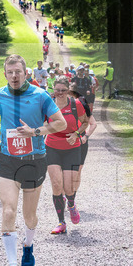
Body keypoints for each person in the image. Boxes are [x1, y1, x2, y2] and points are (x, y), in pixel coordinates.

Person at [0, 54, 67, 266]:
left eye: (18, 72)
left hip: (34, 160)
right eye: (10, 72)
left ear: (25, 73)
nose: (14, 76)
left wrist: (36, 132)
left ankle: (28, 245)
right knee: (8, 210)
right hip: (8, 160)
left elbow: (61, 123)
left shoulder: (40, 96)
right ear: (5, 74)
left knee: (29, 215)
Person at [44, 77, 88, 234]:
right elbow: (41, 123)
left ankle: (71, 203)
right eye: (57, 90)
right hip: (52, 146)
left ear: (69, 91)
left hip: (72, 147)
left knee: (69, 187)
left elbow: (85, 122)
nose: (60, 93)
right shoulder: (48, 105)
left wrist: (76, 134)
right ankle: (61, 222)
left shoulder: (76, 105)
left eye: (63, 90)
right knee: (56, 184)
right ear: (53, 90)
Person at [68, 86, 98, 210]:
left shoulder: (83, 106)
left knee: (77, 171)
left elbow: (93, 124)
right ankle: (66, 193)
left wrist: (86, 136)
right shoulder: (60, 106)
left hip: (80, 142)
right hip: (65, 142)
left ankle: (72, 198)